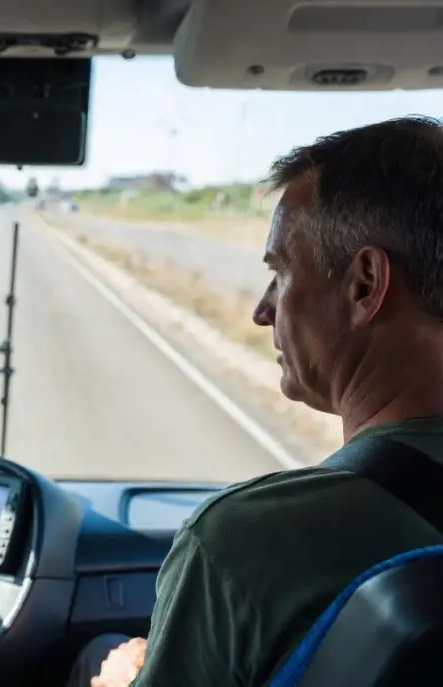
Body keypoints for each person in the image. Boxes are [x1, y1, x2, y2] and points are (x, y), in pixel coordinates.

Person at [68, 115, 443, 687]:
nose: (262, 311)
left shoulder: (244, 543)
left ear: (365, 284)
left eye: (282, 273)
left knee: (100, 654)